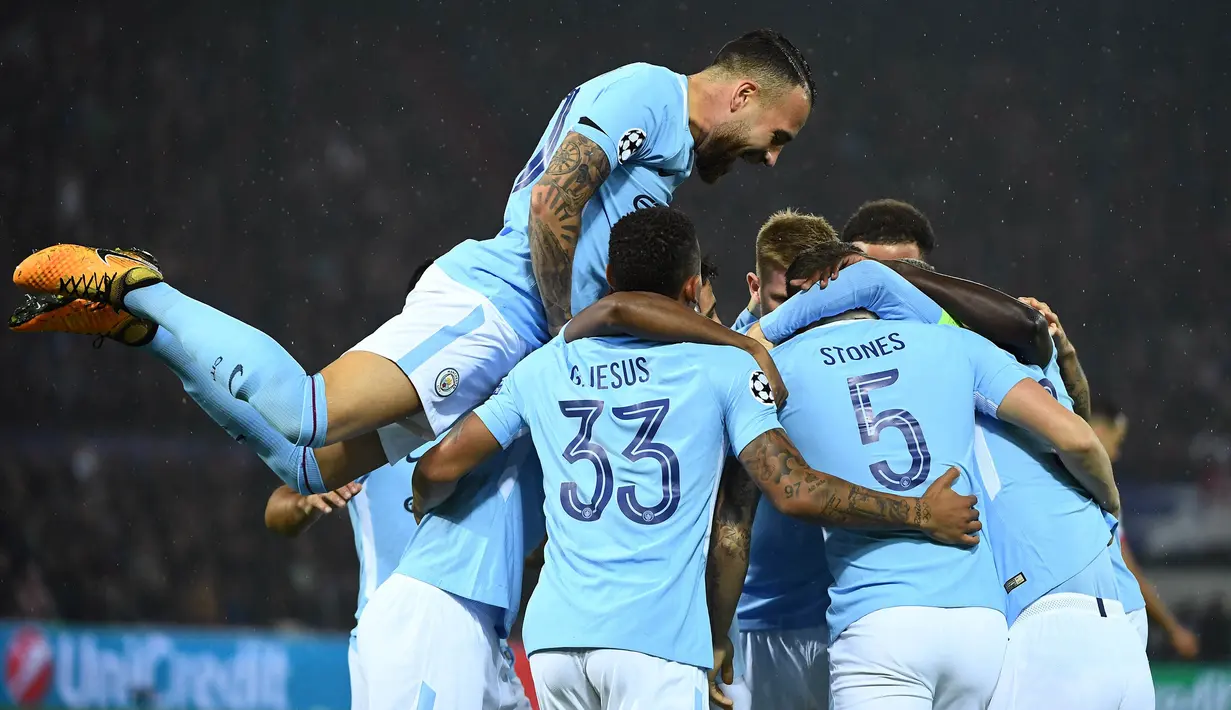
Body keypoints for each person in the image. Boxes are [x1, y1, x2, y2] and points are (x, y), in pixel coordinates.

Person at [12, 28, 816, 496]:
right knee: (307, 410)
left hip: (516, 333)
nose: (772, 160)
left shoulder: (670, 156)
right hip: (496, 307)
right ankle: (138, 281)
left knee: (307, 468)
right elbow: (550, 205)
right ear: (742, 95)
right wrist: (563, 327)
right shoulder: (646, 93)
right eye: (776, 137)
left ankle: (139, 327)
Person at [411, 207, 981, 710]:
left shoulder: (545, 367)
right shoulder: (724, 370)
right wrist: (919, 513)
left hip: (555, 644)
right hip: (656, 645)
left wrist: (424, 499)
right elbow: (789, 491)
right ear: (692, 288)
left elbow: (437, 469)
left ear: (610, 279)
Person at [768, 241, 1125, 710]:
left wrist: (765, 325)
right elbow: (1074, 433)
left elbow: (781, 486)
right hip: (980, 625)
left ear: (804, 295)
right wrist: (1112, 503)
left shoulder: (775, 365)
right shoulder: (954, 343)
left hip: (878, 618)